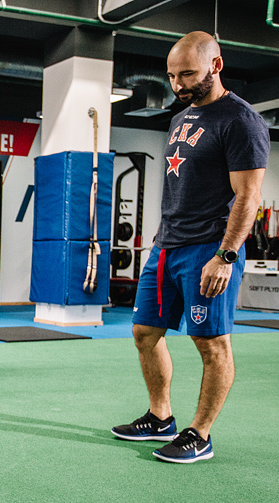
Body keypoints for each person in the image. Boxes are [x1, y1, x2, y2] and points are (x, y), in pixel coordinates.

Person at [111, 32, 269, 464]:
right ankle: (160, 416)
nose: (178, 84)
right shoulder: (181, 118)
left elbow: (248, 197)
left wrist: (226, 256)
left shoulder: (241, 120)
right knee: (145, 333)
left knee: (211, 343)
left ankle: (199, 434)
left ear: (216, 66)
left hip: (209, 249)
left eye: (187, 75)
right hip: (168, 245)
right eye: (171, 75)